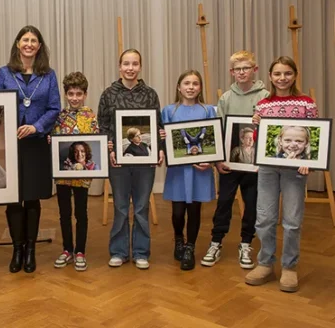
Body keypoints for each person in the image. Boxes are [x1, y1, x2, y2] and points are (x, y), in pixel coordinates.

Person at [245, 56, 317, 292]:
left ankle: (289, 267)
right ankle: (265, 263)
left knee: (292, 221)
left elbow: (315, 137)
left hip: (295, 169)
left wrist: (309, 161)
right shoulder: (263, 104)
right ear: (270, 76)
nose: (282, 78)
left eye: (287, 73)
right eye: (277, 74)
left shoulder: (307, 103)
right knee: (264, 218)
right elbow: (259, 139)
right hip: (267, 168)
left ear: (295, 75)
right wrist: (256, 126)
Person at [0, 25, 61, 273]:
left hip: (36, 143)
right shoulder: (4, 73)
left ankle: (31, 250)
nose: (29, 44)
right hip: (10, 144)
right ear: (18, 44)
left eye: (34, 40)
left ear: (39, 46)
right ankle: (17, 249)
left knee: (31, 198)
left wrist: (36, 127)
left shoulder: (49, 75)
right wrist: (9, 127)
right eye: (25, 40)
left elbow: (55, 108)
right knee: (13, 199)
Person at [97, 49, 164, 270]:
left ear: (140, 67)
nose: (130, 68)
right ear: (119, 66)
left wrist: (160, 148)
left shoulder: (150, 94)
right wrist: (109, 147)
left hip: (145, 161)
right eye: (126, 63)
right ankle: (119, 251)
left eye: (135, 64)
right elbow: (103, 125)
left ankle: (141, 252)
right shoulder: (108, 94)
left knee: (142, 206)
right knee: (121, 207)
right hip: (118, 161)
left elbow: (158, 126)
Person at [202, 50, 268, 270]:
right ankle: (216, 241)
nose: (241, 72)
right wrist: (218, 160)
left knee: (252, 205)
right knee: (223, 204)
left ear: (254, 70)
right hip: (229, 164)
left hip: (255, 167)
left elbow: (271, 132)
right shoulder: (226, 98)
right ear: (232, 72)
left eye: (246, 68)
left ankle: (246, 243)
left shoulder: (265, 97)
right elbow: (218, 130)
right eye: (237, 69)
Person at [161, 69, 216, 271]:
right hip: (178, 169)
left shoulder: (209, 110)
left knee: (194, 210)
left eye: (195, 83)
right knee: (177, 212)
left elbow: (213, 141)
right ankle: (178, 239)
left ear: (200, 87)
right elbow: (162, 139)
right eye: (186, 83)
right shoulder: (169, 111)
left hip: (200, 170)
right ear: (179, 87)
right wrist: (162, 137)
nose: (190, 87)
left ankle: (190, 248)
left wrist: (210, 160)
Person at [51, 72, 99, 271]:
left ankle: (80, 251)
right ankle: (67, 249)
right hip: (63, 174)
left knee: (81, 212)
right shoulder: (59, 116)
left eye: (79, 94)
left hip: (83, 176)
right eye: (71, 94)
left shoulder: (90, 116)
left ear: (85, 94)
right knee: (64, 213)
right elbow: (53, 140)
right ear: (65, 94)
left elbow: (96, 141)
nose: (75, 98)